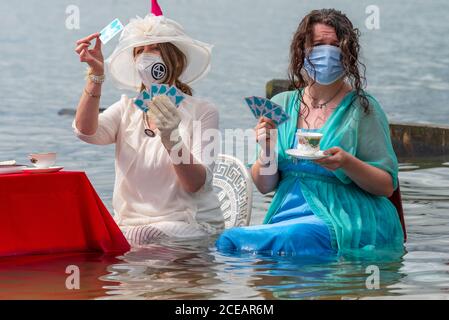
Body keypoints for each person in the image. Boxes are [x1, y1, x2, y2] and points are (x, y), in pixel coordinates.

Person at [216, 9, 404, 256]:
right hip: (288, 212)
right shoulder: (282, 103)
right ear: (302, 51)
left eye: (335, 45)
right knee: (229, 242)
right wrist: (268, 149)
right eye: (318, 45)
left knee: (291, 241)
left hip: (344, 214)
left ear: (347, 53)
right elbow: (264, 186)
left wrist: (346, 163)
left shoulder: (363, 108)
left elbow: (386, 186)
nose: (327, 52)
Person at [72, 9, 223, 245]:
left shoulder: (202, 111)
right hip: (131, 225)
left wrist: (171, 138)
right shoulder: (127, 108)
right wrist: (96, 75)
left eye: (153, 48)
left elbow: (195, 185)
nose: (145, 55)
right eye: (139, 50)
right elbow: (85, 131)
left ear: (173, 58)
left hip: (188, 223)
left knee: (141, 236)